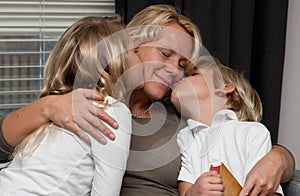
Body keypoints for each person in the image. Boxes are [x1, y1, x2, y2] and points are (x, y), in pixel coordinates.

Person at [0, 4, 295, 196]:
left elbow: (239, 139)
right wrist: (49, 107)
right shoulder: (83, 101)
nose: (172, 70)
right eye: (165, 54)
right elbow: (7, 150)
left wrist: (278, 159)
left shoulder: (181, 122)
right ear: (133, 46)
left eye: (183, 65)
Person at [0, 16, 143, 195]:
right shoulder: (113, 111)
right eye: (135, 51)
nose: (142, 60)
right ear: (115, 61)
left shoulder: (64, 106)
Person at [171, 58, 284, 195]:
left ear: (225, 88)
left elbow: (268, 189)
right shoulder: (186, 137)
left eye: (194, 75)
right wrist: (194, 192)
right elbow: (185, 191)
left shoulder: (252, 132)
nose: (181, 79)